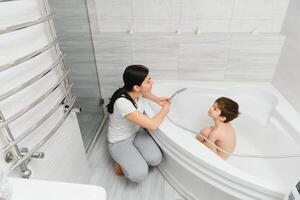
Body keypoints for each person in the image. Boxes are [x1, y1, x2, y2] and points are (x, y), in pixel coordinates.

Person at [106, 65, 170, 182]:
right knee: (139, 174)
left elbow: (145, 94)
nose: (152, 82)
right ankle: (119, 162)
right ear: (136, 87)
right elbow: (152, 125)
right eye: (148, 81)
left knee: (155, 159)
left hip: (136, 132)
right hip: (119, 141)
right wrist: (165, 109)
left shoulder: (135, 92)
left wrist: (158, 100)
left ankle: (133, 155)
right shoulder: (123, 103)